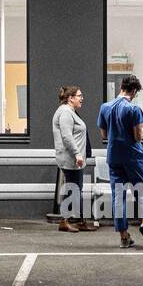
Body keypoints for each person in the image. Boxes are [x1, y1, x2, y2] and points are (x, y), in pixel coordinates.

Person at [103, 75, 143, 249]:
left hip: (114, 157)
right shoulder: (133, 109)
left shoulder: (105, 107)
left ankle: (124, 237)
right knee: (142, 191)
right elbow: (137, 136)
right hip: (133, 156)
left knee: (118, 196)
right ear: (134, 91)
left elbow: (104, 135)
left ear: (121, 87)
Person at [51, 85, 99, 232]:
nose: (82, 98)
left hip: (75, 158)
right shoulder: (65, 112)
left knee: (76, 189)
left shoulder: (71, 112)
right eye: (79, 96)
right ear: (70, 98)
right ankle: (64, 221)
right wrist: (77, 154)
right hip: (71, 158)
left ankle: (79, 221)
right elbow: (66, 136)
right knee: (73, 189)